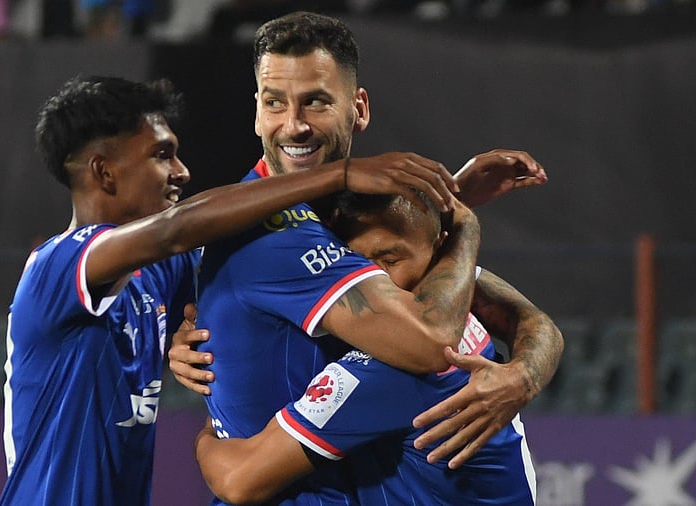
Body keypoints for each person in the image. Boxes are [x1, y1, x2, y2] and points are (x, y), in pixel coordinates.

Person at [0, 74, 464, 506]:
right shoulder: (55, 267)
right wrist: (336, 174)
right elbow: (176, 229)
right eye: (162, 155)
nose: (181, 171)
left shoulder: (159, 273)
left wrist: (443, 200)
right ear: (104, 172)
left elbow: (258, 268)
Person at [168, 10, 562, 503]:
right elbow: (433, 334)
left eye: (315, 102)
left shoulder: (361, 228)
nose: (294, 125)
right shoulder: (274, 233)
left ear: (358, 107)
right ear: (255, 110)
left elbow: (517, 321)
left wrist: (520, 377)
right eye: (275, 103)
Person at [194, 191, 556, 505]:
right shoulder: (452, 299)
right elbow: (530, 320)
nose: (377, 278)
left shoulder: (395, 366)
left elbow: (239, 481)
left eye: (391, 259)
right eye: (361, 262)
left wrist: (210, 430)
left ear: (440, 246)